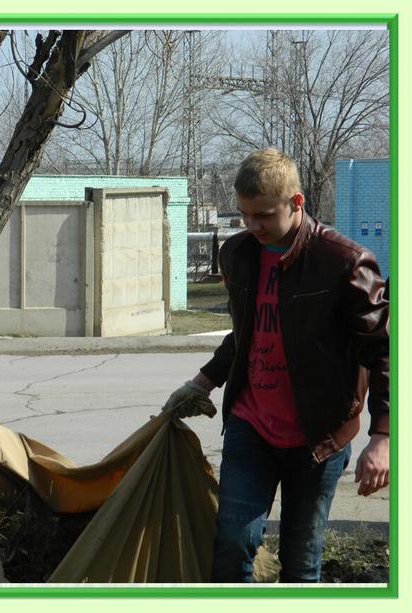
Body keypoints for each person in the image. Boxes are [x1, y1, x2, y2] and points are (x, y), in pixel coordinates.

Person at [164, 148, 389, 583]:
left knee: (301, 565)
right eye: (245, 215)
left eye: (264, 215)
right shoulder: (239, 255)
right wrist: (201, 383)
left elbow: (383, 351)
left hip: (318, 438)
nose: (253, 226)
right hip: (252, 429)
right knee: (231, 547)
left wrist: (383, 436)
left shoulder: (344, 263)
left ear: (296, 202)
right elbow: (244, 335)